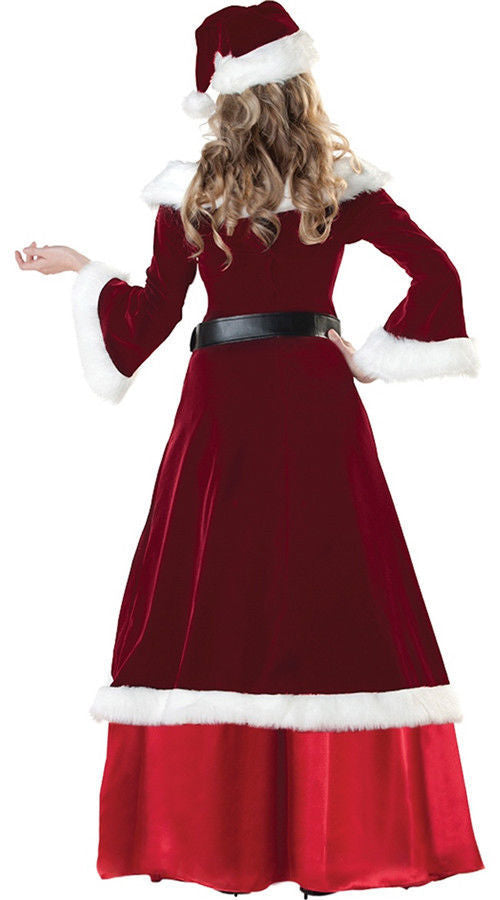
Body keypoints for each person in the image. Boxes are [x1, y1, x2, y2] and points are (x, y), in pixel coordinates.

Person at [15, 2, 484, 895]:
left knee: (217, 595)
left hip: (222, 409)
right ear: (298, 84)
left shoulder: (194, 194)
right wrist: (371, 356)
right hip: (315, 402)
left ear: (220, 96)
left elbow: (149, 318)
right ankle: (327, 846)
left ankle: (224, 844)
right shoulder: (338, 185)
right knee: (327, 590)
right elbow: (439, 274)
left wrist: (84, 273)